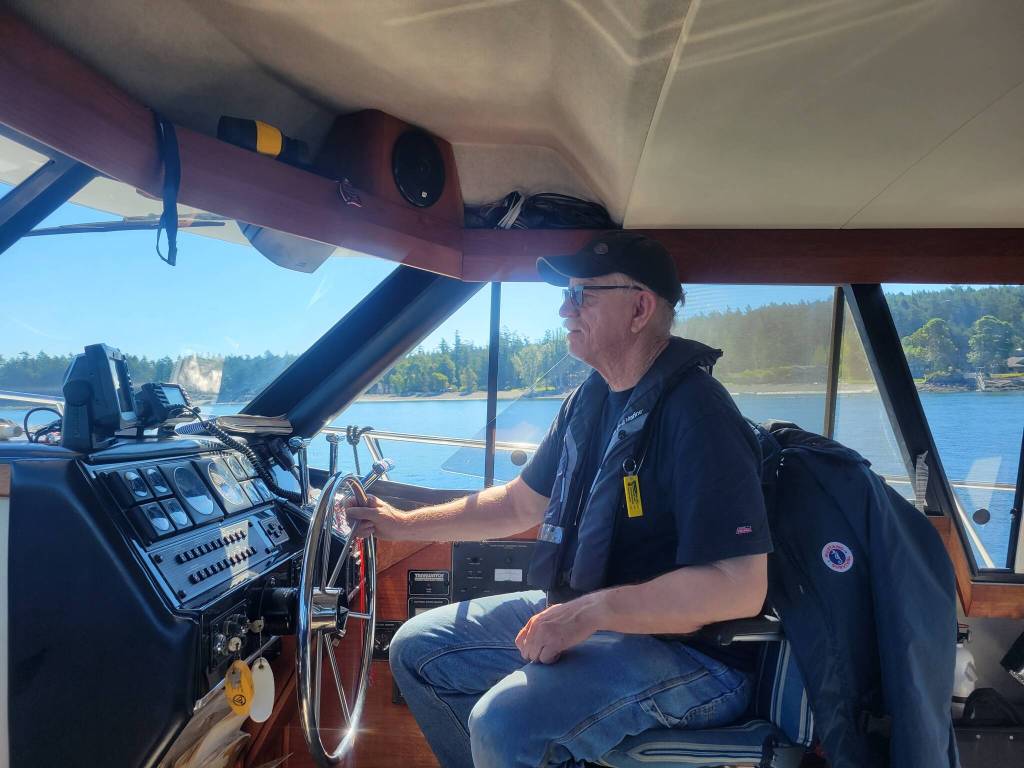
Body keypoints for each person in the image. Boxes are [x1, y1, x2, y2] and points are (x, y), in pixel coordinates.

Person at [343, 231, 773, 768]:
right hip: (592, 618)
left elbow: (740, 586)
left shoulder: (699, 414)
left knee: (505, 724)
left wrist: (592, 612)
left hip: (694, 655)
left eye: (582, 295)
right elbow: (519, 504)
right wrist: (399, 524)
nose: (563, 307)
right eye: (565, 294)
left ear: (639, 307)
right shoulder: (587, 402)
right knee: (417, 650)